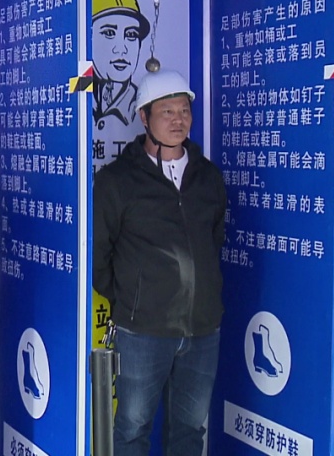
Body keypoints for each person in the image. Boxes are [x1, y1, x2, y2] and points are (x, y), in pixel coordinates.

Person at [92, 70, 227, 456]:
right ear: (144, 117)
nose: (178, 120)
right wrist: (132, 299)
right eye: (167, 111)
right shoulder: (118, 181)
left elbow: (214, 239)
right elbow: (99, 254)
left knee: (190, 430)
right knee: (132, 428)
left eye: (184, 110)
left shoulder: (207, 177)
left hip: (202, 329)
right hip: (142, 330)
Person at [91, 0, 150, 130]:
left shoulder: (145, 103)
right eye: (109, 33)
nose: (121, 49)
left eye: (131, 35)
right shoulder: (76, 95)